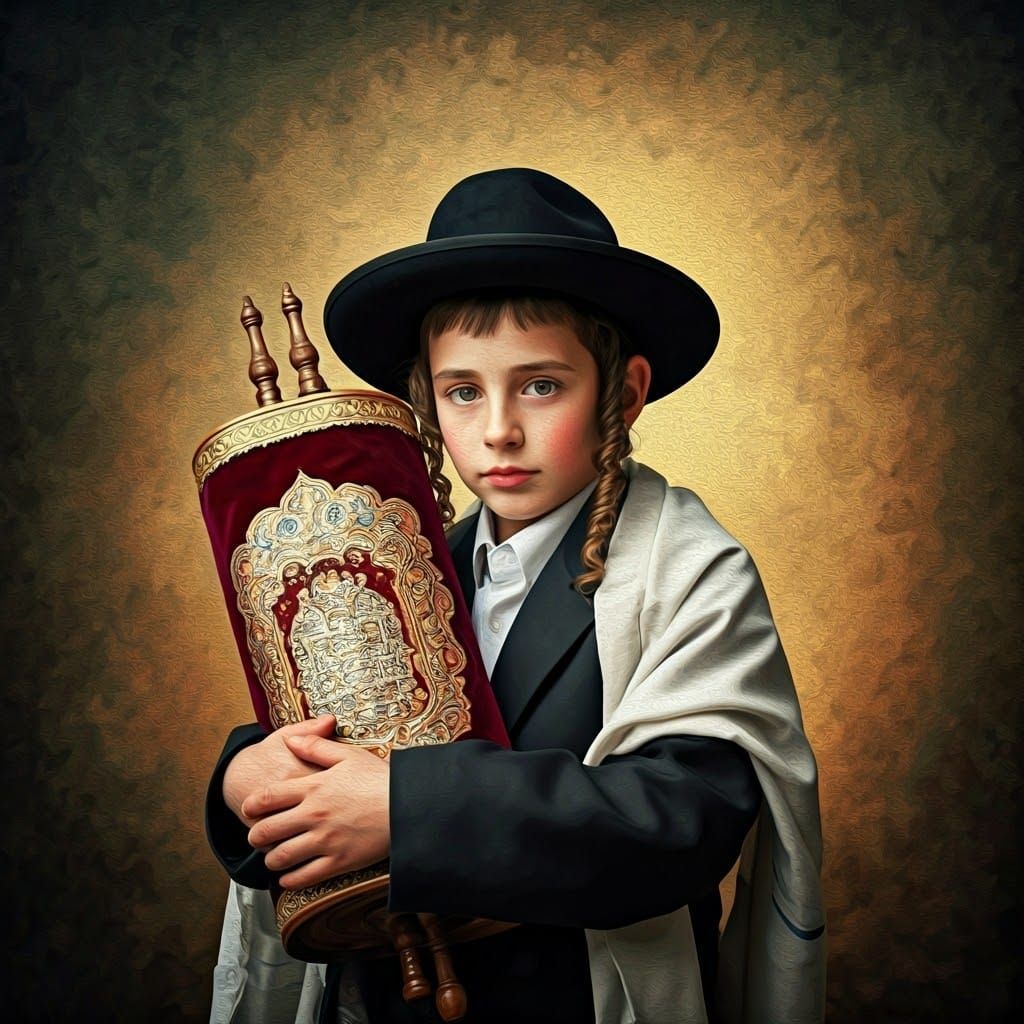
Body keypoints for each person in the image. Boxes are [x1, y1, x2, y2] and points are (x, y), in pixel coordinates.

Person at [206, 168, 825, 1024]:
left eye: (540, 385)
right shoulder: (407, 566)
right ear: (426, 400)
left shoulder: (689, 571)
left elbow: (682, 823)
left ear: (626, 391)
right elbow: (323, 731)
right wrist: (246, 778)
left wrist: (405, 810)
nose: (497, 428)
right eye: (463, 391)